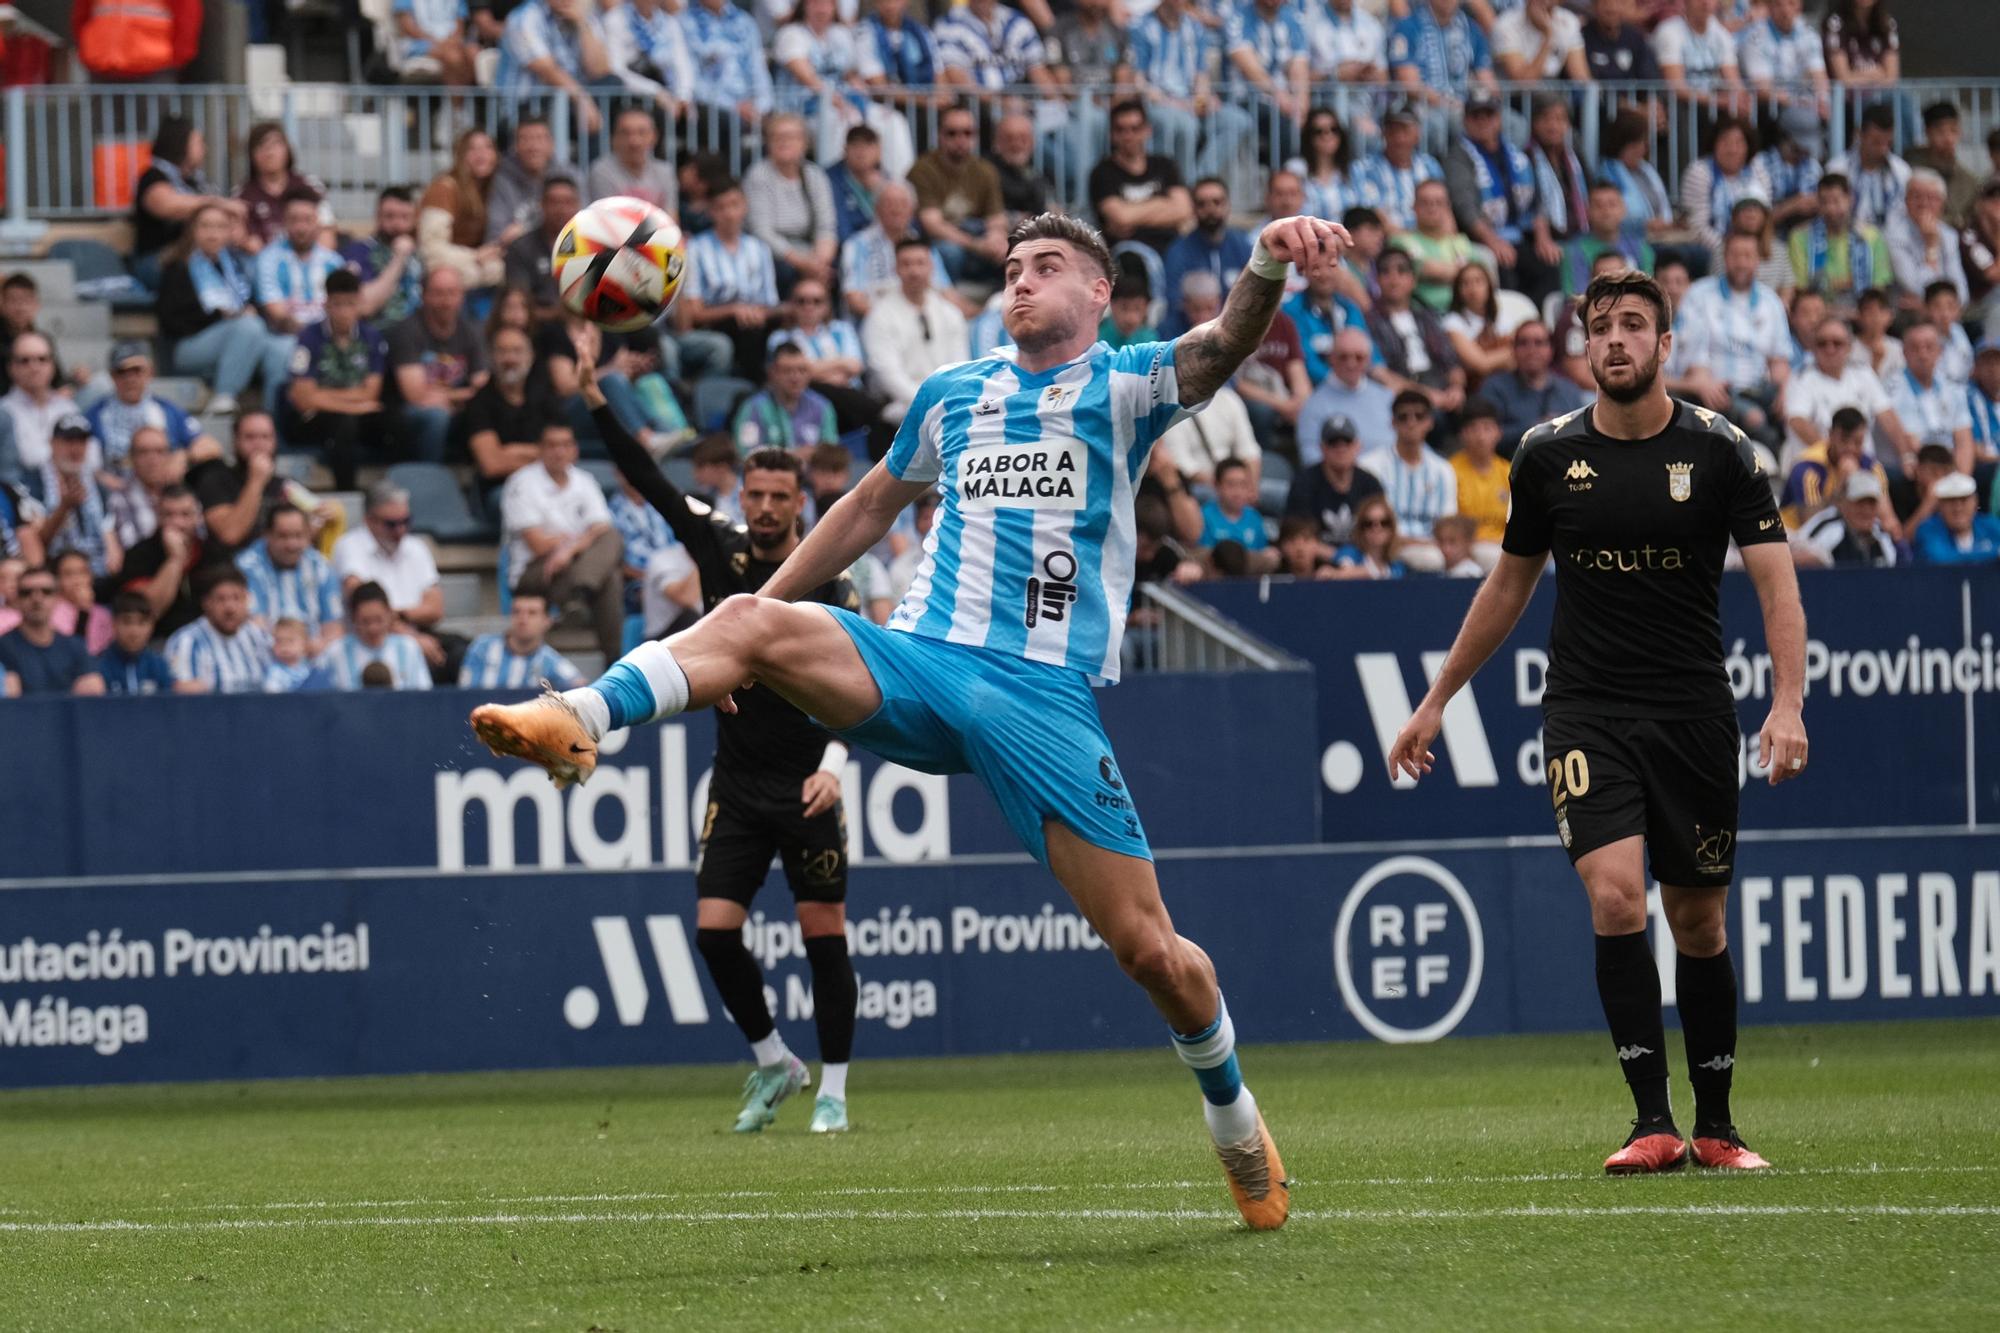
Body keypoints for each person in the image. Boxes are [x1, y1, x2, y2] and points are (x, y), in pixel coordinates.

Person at [470, 208, 1359, 1230]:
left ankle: (1235, 1122)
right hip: (919, 662)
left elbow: (1223, 344)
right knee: (749, 618)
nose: (1019, 282)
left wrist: (1262, 263)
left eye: (1047, 268)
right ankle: (575, 715)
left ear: (1097, 297)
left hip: (1040, 699)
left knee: (1151, 953)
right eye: (1012, 267)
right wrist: (758, 617)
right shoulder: (952, 394)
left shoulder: (1123, 383)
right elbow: (864, 508)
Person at [1390, 267, 1808, 1177]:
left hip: (1694, 711)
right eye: (1600, 328)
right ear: (1585, 347)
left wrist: (1786, 701)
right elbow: (1508, 583)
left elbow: (1777, 579)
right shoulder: (1543, 454)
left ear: (1665, 344)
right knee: (1616, 895)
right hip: (1587, 711)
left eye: (1632, 326)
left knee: (1698, 921)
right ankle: (1652, 1121)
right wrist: (1436, 700)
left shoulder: (1723, 450)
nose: (1614, 340)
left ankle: (1721, 1124)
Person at [561, 348, 864, 1130]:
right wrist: (597, 400)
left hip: (805, 784)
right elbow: (651, 483)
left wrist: (835, 762)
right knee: (714, 932)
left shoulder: (828, 578)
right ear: (741, 494)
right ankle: (775, 1062)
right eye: (755, 494)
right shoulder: (718, 546)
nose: (765, 508)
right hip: (735, 782)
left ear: (802, 501)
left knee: (822, 936)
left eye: (779, 496)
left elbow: (862, 683)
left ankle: (833, 1090)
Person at [156, 203, 294, 418]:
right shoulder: (177, 266)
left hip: (240, 337)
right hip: (189, 345)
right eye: (206, 226)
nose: (213, 234)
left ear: (230, 232)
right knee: (250, 326)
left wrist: (237, 316)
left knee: (283, 347)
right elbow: (171, 321)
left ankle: (272, 419)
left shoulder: (235, 264)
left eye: (221, 227)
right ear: (192, 230)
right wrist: (222, 316)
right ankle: (224, 397)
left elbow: (251, 304)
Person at [502, 422, 624, 663]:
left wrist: (570, 548)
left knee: (613, 541)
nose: (559, 451)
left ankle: (580, 596)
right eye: (552, 445)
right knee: (609, 575)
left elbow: (602, 527)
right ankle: (613, 661)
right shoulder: (522, 483)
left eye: (566, 445)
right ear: (540, 449)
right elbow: (537, 545)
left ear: (575, 450)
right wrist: (579, 540)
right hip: (536, 573)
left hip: (574, 565)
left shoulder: (584, 480)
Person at [1674, 231, 1793, 443]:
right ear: (1724, 258)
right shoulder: (1699, 295)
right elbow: (1694, 361)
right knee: (1755, 421)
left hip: (1758, 389)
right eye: (1735, 255)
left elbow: (1779, 361)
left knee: (1791, 411)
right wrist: (1707, 385)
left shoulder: (1771, 302)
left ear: (1759, 260)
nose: (1741, 262)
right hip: (1715, 389)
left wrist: (1785, 393)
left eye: (1748, 256)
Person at [333, 483, 455, 679]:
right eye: (391, 524)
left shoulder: (417, 547)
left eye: (406, 521)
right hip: (372, 636)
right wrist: (411, 636)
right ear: (369, 520)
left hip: (414, 630)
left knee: (460, 653)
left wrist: (397, 615)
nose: (400, 530)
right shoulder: (350, 546)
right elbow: (363, 607)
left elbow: (435, 609)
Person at [283, 269, 388, 492]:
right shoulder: (307, 338)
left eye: (350, 304)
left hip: (354, 414)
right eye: (337, 304)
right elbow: (303, 399)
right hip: (313, 420)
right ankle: (347, 494)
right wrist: (354, 405)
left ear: (359, 303)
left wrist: (321, 395)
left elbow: (371, 394)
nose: (343, 312)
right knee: (344, 424)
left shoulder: (372, 337)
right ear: (326, 304)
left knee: (396, 420)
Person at [1444, 89, 1548, 301]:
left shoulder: (1516, 153)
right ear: (1465, 121)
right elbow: (1466, 208)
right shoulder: (1458, 157)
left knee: (1549, 263)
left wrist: (1543, 237)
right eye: (1476, 116)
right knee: (1503, 265)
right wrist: (1492, 241)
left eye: (1488, 115)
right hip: (1482, 239)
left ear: (1499, 119)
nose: (1483, 121)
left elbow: (1537, 201)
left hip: (1520, 235)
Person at [679, 179, 783, 385]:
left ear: (744, 206)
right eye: (720, 207)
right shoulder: (696, 249)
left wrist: (753, 313)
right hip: (715, 322)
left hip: (756, 322)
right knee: (747, 329)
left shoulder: (759, 248)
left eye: (734, 205)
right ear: (710, 212)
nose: (729, 213)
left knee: (764, 327)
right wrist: (734, 310)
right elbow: (695, 312)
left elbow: (770, 302)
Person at [1129, 0, 1249, 180]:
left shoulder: (1195, 28)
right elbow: (1139, 82)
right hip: (1158, 103)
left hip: (1190, 103)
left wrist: (1202, 101)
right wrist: (1178, 105)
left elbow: (1202, 75)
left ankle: (1200, 181)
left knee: (1238, 121)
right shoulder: (1140, 26)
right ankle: (1180, 184)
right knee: (1186, 125)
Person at [1782, 315, 1911, 473]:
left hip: (1864, 467)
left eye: (1837, 343)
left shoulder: (1863, 373)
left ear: (1849, 347)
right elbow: (1797, 422)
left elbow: (1887, 416)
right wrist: (1836, 456)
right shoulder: (1801, 378)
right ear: (1813, 348)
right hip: (1819, 469)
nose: (1830, 349)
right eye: (1822, 344)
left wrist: (1907, 455)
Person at [862, 240, 970, 426]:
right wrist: (928, 404)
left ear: (931, 267)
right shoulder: (879, 316)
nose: (914, 271)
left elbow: (960, 366)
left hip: (945, 402)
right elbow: (888, 374)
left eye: (920, 263)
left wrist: (945, 402)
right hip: (900, 407)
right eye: (906, 264)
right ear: (896, 269)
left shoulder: (950, 313)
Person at [388, 267, 488, 466]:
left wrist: (450, 398)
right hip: (408, 415)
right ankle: (431, 476)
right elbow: (415, 396)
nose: (446, 301)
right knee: (436, 416)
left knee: (488, 409)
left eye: (452, 293)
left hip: (454, 408)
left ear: (461, 297)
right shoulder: (407, 330)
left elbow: (484, 388)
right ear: (424, 296)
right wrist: (463, 396)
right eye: (438, 293)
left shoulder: (472, 330)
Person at [130, 116, 240, 290]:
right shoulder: (152, 176)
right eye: (198, 142)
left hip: (198, 257)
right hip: (156, 261)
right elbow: (167, 205)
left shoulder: (195, 181)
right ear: (180, 143)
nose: (205, 148)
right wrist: (218, 203)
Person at [86, 341, 221, 477]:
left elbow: (211, 446)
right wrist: (100, 477)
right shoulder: (96, 414)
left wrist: (183, 456)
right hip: (114, 488)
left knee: (213, 470)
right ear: (112, 376)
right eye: (122, 372)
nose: (130, 378)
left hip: (163, 487)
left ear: (149, 372)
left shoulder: (167, 410)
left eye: (136, 370)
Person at [907, 104, 1009, 283]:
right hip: (941, 240)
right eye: (952, 133)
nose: (960, 139)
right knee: (949, 251)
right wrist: (977, 245)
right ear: (939, 135)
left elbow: (997, 218)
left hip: (976, 236)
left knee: (1013, 247)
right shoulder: (922, 170)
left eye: (967, 133)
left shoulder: (986, 170)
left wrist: (996, 237)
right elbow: (933, 225)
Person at [117, 483, 234, 638]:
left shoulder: (214, 554)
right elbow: (147, 611)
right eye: (169, 515)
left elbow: (230, 606)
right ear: (158, 515)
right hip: (158, 644)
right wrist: (175, 560)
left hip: (210, 641)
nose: (177, 523)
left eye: (185, 514)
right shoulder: (139, 555)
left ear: (198, 517)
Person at [464, 323, 559, 512]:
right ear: (491, 357)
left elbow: (565, 452)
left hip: (549, 482)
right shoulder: (479, 403)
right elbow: (491, 465)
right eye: (502, 351)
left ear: (530, 357)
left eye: (517, 351)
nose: (510, 359)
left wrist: (512, 451)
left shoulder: (546, 396)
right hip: (503, 488)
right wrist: (540, 453)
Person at [495, 0, 623, 139]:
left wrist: (582, 25)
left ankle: (596, 157)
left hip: (570, 102)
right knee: (588, 110)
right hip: (527, 106)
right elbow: (548, 71)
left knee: (612, 83)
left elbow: (600, 71)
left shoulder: (583, 16)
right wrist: (582, 100)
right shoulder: (523, 18)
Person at [1359, 389, 1456, 570]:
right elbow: (1369, 525)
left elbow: (1447, 525)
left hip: (1435, 550)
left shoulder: (1444, 470)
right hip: (1385, 549)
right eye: (1403, 417)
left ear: (1430, 422)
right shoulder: (1370, 466)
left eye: (1419, 416)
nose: (1411, 423)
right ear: (1393, 423)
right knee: (1430, 559)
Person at [744, 113, 842, 292]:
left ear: (804, 142)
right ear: (768, 143)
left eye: (791, 137)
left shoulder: (815, 175)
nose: (784, 142)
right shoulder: (758, 175)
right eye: (777, 137)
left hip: (811, 251)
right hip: (777, 255)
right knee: (784, 272)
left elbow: (827, 225)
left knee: (836, 269)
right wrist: (802, 262)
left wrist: (821, 261)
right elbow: (761, 231)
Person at [1089, 100, 1193, 262]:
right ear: (1112, 135)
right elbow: (1121, 218)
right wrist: (1163, 203)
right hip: (1128, 258)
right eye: (1121, 130)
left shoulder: (1165, 165)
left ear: (1147, 131)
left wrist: (1133, 214)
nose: (1129, 136)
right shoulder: (1102, 172)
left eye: (1135, 129)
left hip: (1173, 249)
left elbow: (1184, 209)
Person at [1365, 249, 1464, 414]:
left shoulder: (1427, 316)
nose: (1394, 278)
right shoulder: (1370, 322)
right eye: (1385, 272)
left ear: (1412, 279)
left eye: (1401, 270)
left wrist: (1457, 388)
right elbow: (1380, 373)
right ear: (1377, 280)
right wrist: (1427, 396)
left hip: (1439, 385)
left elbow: (1451, 362)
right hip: (1401, 394)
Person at [236, 505, 344, 649]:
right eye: (283, 536)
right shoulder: (246, 567)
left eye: (298, 536)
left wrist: (319, 647)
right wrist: (291, 649)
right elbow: (254, 626)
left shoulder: (320, 567)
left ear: (308, 535)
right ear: (267, 535)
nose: (292, 544)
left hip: (314, 657)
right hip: (265, 657)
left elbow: (334, 628)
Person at [418, 129, 511, 292]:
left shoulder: (494, 189)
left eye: (487, 148)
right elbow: (431, 249)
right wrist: (475, 256)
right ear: (460, 155)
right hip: (443, 265)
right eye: (472, 149)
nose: (481, 154)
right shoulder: (444, 188)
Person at [29, 415, 120, 579]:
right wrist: (64, 507)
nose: (76, 449)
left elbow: (109, 536)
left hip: (96, 570)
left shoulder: (96, 484)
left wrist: (113, 557)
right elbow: (37, 541)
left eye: (81, 442)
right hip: (54, 569)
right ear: (52, 443)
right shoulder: (34, 483)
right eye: (69, 441)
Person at [1162, 179, 1253, 339]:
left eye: (1217, 202)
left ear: (1228, 205)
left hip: (1237, 336)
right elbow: (1175, 303)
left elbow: (1253, 295)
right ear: (1193, 208)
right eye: (1202, 204)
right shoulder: (1178, 252)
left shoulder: (1243, 247)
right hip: (1188, 335)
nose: (1210, 209)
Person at [1788, 175, 1891, 314]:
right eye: (1824, 202)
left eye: (1836, 201)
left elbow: (1879, 286)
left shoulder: (1871, 236)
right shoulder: (1800, 236)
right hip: (1819, 313)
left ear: (1850, 199)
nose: (1831, 209)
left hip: (1862, 314)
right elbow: (1801, 288)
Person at [682, 0, 775, 151]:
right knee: (727, 125)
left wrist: (760, 106)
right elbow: (691, 78)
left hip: (750, 106)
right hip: (710, 105)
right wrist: (733, 106)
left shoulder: (745, 21)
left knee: (782, 129)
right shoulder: (685, 21)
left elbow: (758, 69)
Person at [0, 563, 105, 697]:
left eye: (46, 591)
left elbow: (92, 692)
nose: (37, 598)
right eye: (27, 593)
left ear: (57, 598)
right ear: (17, 599)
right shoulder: (3, 647)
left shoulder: (75, 646)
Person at [166, 567, 274, 694]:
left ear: (247, 600)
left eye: (237, 598)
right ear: (206, 603)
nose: (230, 608)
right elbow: (183, 694)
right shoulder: (187, 641)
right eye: (221, 599)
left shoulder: (258, 635)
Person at [1780, 406, 1891, 530]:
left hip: (1846, 538)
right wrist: (1841, 485)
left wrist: (1859, 481)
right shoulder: (1807, 468)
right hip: (1794, 537)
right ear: (1831, 435)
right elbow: (1810, 523)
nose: (1851, 448)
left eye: (1858, 442)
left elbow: (1888, 521)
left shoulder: (1871, 467)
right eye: (1844, 440)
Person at [1888, 321, 1975, 477]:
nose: (1923, 354)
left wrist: (1961, 479)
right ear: (1904, 352)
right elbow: (1912, 443)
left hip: (1950, 466)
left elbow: (1964, 442)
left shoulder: (1953, 388)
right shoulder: (1893, 389)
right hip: (1916, 471)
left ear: (1940, 351)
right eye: (1915, 348)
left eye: (1929, 347)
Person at [1286, 413, 1385, 549]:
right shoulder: (1304, 482)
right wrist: (1339, 558)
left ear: (1357, 446)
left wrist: (1352, 561)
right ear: (1322, 447)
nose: (1341, 448)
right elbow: (1296, 536)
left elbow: (1383, 532)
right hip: (1316, 564)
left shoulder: (1370, 484)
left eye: (1347, 442)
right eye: (1333, 443)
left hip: (1361, 561)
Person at [1680, 114, 1773, 254]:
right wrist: (1730, 252)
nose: (1732, 150)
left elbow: (1766, 216)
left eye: (1739, 142)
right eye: (1725, 142)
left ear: (1748, 146)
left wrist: (1750, 251)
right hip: (1711, 250)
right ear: (1714, 144)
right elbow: (1697, 227)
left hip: (1753, 248)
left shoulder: (1757, 169)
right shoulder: (1699, 172)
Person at [1298, 327, 1394, 462]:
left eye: (1359, 357)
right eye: (1343, 357)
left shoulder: (1387, 397)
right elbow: (1311, 458)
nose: (1351, 364)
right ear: (1331, 358)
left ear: (1369, 360)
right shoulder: (1313, 405)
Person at [317, 580, 434, 689]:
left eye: (378, 620)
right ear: (353, 619)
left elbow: (423, 693)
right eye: (365, 622)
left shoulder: (409, 648)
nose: (373, 628)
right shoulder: (336, 652)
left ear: (390, 615)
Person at [458, 592, 586, 689]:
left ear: (547, 621)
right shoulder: (482, 647)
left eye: (532, 613)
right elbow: (465, 692)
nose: (523, 619)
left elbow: (580, 687)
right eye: (517, 612)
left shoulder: (551, 661)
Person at [235, 124, 330, 254]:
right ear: (251, 155)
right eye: (261, 146)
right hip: (260, 267)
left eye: (275, 144)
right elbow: (239, 238)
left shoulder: (310, 185)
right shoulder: (242, 194)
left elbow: (327, 234)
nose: (269, 152)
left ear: (288, 149)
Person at [733, 342, 839, 458]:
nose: (796, 377)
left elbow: (830, 455)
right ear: (772, 373)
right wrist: (792, 457)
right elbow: (746, 455)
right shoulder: (754, 408)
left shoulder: (822, 407)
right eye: (787, 371)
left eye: (802, 370)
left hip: (810, 475)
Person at [1352, 101, 1443, 235]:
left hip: (1428, 239)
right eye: (1392, 131)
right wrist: (1408, 241)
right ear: (1383, 134)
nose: (1399, 138)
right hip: (1385, 243)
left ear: (1417, 134)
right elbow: (1372, 214)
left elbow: (1444, 211)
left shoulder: (1430, 166)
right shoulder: (1364, 169)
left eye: (1405, 130)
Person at [604, 0, 694, 135]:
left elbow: (683, 64)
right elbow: (617, 70)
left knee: (699, 120)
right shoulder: (615, 19)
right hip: (633, 93)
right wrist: (655, 92)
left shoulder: (670, 22)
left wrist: (683, 96)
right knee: (655, 120)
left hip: (668, 90)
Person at [338, 186, 424, 327]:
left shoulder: (420, 254)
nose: (397, 223)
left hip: (417, 333)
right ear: (377, 216)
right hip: (380, 332)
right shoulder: (359, 251)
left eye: (405, 217)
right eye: (390, 216)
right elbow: (364, 307)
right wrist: (399, 259)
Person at [503, 175, 582, 327]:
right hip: (538, 327)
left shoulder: (594, 245)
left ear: (578, 205)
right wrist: (557, 314)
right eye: (554, 202)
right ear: (542, 205)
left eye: (568, 202)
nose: (561, 209)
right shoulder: (520, 248)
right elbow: (518, 308)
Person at [2, 332, 81, 482]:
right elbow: (30, 459)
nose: (34, 367)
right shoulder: (4, 412)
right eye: (24, 360)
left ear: (53, 365)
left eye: (42, 359)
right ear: (11, 367)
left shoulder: (68, 408)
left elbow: (90, 459)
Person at [1886, 171, 1968, 314]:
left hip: (1944, 315)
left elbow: (1961, 292)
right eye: (1917, 197)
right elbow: (1917, 287)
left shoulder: (1949, 235)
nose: (1924, 204)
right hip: (1906, 317)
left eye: (1931, 198)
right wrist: (1931, 247)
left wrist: (1934, 307)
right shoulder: (1894, 235)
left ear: (1942, 203)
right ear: (1906, 200)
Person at [1828, 104, 1912, 233]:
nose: (1883, 149)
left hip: (1891, 243)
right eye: (1876, 142)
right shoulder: (1838, 168)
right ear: (1859, 134)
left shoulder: (1902, 171)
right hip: (1847, 239)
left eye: (1888, 143)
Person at [1738, 0, 1830, 117]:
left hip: (1805, 105)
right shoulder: (1754, 38)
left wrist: (1822, 100)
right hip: (1770, 108)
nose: (1785, 10)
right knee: (1802, 118)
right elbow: (1762, 89)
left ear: (1799, 6)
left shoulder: (1809, 35)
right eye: (1779, 4)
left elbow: (1819, 76)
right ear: (1770, 8)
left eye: (1791, 3)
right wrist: (1801, 103)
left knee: (1836, 111)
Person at [1563, 183, 1654, 300]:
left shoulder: (1641, 247)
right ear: (1587, 211)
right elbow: (1576, 297)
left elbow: (1650, 291)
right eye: (1598, 205)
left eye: (1612, 204)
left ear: (1623, 209)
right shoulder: (1574, 251)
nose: (1606, 211)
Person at [1441, 262, 1520, 393]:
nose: (1473, 288)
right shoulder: (1452, 322)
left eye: (1478, 281)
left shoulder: (1503, 317)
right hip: (1478, 388)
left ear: (1489, 286)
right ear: (1457, 290)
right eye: (1465, 283)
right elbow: (1481, 364)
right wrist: (1510, 352)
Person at [1798, 470, 1899, 568]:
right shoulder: (1827, 527)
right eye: (1860, 503)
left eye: (1871, 503)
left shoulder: (1881, 535)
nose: (1866, 510)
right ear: (1844, 503)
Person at [1448, 396, 1507, 564]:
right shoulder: (1450, 471)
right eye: (1473, 429)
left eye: (1487, 428)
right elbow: (1450, 525)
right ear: (1462, 434)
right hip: (1467, 550)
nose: (1481, 436)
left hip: (1503, 546)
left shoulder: (1510, 472)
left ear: (1499, 433)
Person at [1197, 458, 1276, 574]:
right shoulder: (1203, 516)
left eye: (1243, 484)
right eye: (1231, 484)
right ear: (1216, 485)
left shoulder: (1255, 518)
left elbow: (1261, 557)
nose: (1237, 491)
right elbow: (1203, 556)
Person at [1911, 472, 2000, 565]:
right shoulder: (1928, 529)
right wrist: (1995, 553)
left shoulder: (1991, 525)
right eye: (1951, 501)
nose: (1958, 508)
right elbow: (1939, 558)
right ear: (1940, 505)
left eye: (1964, 500)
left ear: (1975, 502)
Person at [96, 591, 174, 696]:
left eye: (142, 623)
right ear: (114, 624)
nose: (134, 631)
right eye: (126, 622)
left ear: (152, 626)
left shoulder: (159, 664)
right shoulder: (99, 665)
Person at [1493, 0, 1588, 82]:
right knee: (1554, 102)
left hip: (1552, 85)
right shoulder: (1506, 23)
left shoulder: (1569, 20)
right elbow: (1524, 82)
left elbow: (1580, 76)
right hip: (1516, 93)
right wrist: (1548, 36)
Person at [1331, 492, 1406, 580]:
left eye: (1384, 523)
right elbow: (1345, 572)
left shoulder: (1397, 565)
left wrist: (1371, 572)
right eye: (1369, 524)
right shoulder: (1350, 552)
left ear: (1391, 529)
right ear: (1361, 529)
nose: (1377, 528)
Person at [1275, 512, 1338, 579]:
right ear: (1282, 546)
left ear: (1318, 544)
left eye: (1306, 539)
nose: (1300, 548)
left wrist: (1336, 574)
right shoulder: (1273, 579)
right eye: (1292, 540)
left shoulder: (1331, 576)